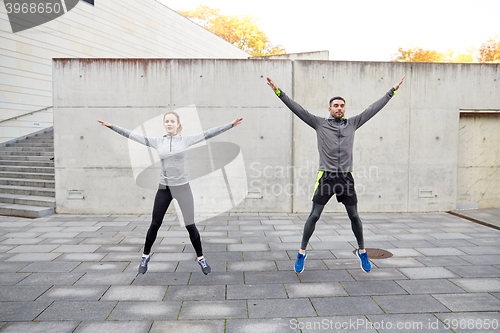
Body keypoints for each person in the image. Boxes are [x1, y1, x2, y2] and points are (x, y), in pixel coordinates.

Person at [267, 75, 405, 273]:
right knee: (314, 215)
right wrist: (278, 91)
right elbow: (296, 108)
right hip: (326, 176)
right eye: (336, 105)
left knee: (355, 216)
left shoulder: (353, 123)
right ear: (330, 109)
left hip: (346, 177)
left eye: (342, 105)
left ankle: (362, 251)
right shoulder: (319, 123)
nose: (339, 108)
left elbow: (373, 109)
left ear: (344, 109)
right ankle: (302, 252)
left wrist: (392, 91)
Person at [98, 113, 243, 275]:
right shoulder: (158, 142)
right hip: (164, 188)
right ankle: (145, 256)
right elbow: (133, 136)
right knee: (155, 224)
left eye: (172, 121)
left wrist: (230, 125)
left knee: (190, 224)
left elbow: (208, 134)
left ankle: (201, 258)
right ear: (164, 125)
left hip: (182, 187)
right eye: (166, 121)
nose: (169, 124)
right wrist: (112, 126)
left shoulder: (186, 140)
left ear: (177, 124)